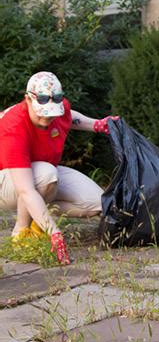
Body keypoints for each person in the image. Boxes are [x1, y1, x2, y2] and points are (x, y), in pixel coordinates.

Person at [0, 71, 117, 265]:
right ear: (28, 100)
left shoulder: (59, 109)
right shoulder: (13, 127)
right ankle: (20, 232)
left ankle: (39, 220)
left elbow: (69, 117)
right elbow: (25, 189)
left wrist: (98, 124)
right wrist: (55, 233)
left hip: (41, 172)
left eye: (52, 114)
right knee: (47, 176)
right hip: (8, 178)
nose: (48, 119)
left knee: (98, 203)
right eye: (43, 115)